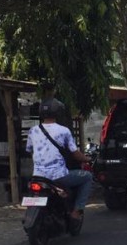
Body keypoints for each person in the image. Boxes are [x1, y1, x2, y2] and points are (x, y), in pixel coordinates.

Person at [25, 97, 93, 229]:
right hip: (58, 176)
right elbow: (75, 153)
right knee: (87, 177)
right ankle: (76, 211)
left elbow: (29, 150)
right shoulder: (63, 131)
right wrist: (87, 159)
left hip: (38, 176)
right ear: (58, 113)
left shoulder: (33, 130)